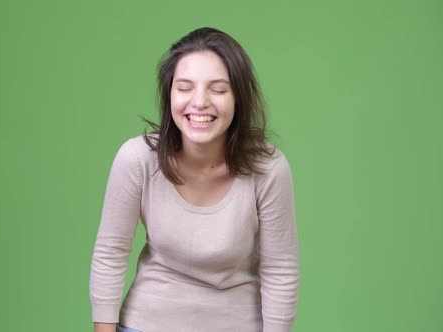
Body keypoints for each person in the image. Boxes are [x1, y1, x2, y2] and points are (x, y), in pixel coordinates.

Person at [89, 27, 299, 332]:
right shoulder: (136, 159)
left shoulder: (268, 168)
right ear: (169, 93)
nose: (199, 102)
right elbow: (110, 253)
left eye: (218, 89)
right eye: (184, 87)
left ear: (238, 97)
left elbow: (281, 270)